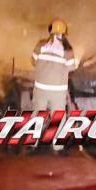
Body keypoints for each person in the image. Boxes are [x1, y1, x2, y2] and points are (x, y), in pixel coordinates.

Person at [31, 18, 76, 150]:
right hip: (58, 91)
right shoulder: (67, 51)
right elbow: (71, 68)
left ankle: (32, 142)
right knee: (58, 117)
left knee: (37, 114)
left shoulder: (40, 45)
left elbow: (33, 62)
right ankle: (57, 146)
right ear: (64, 33)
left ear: (50, 31)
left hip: (41, 89)